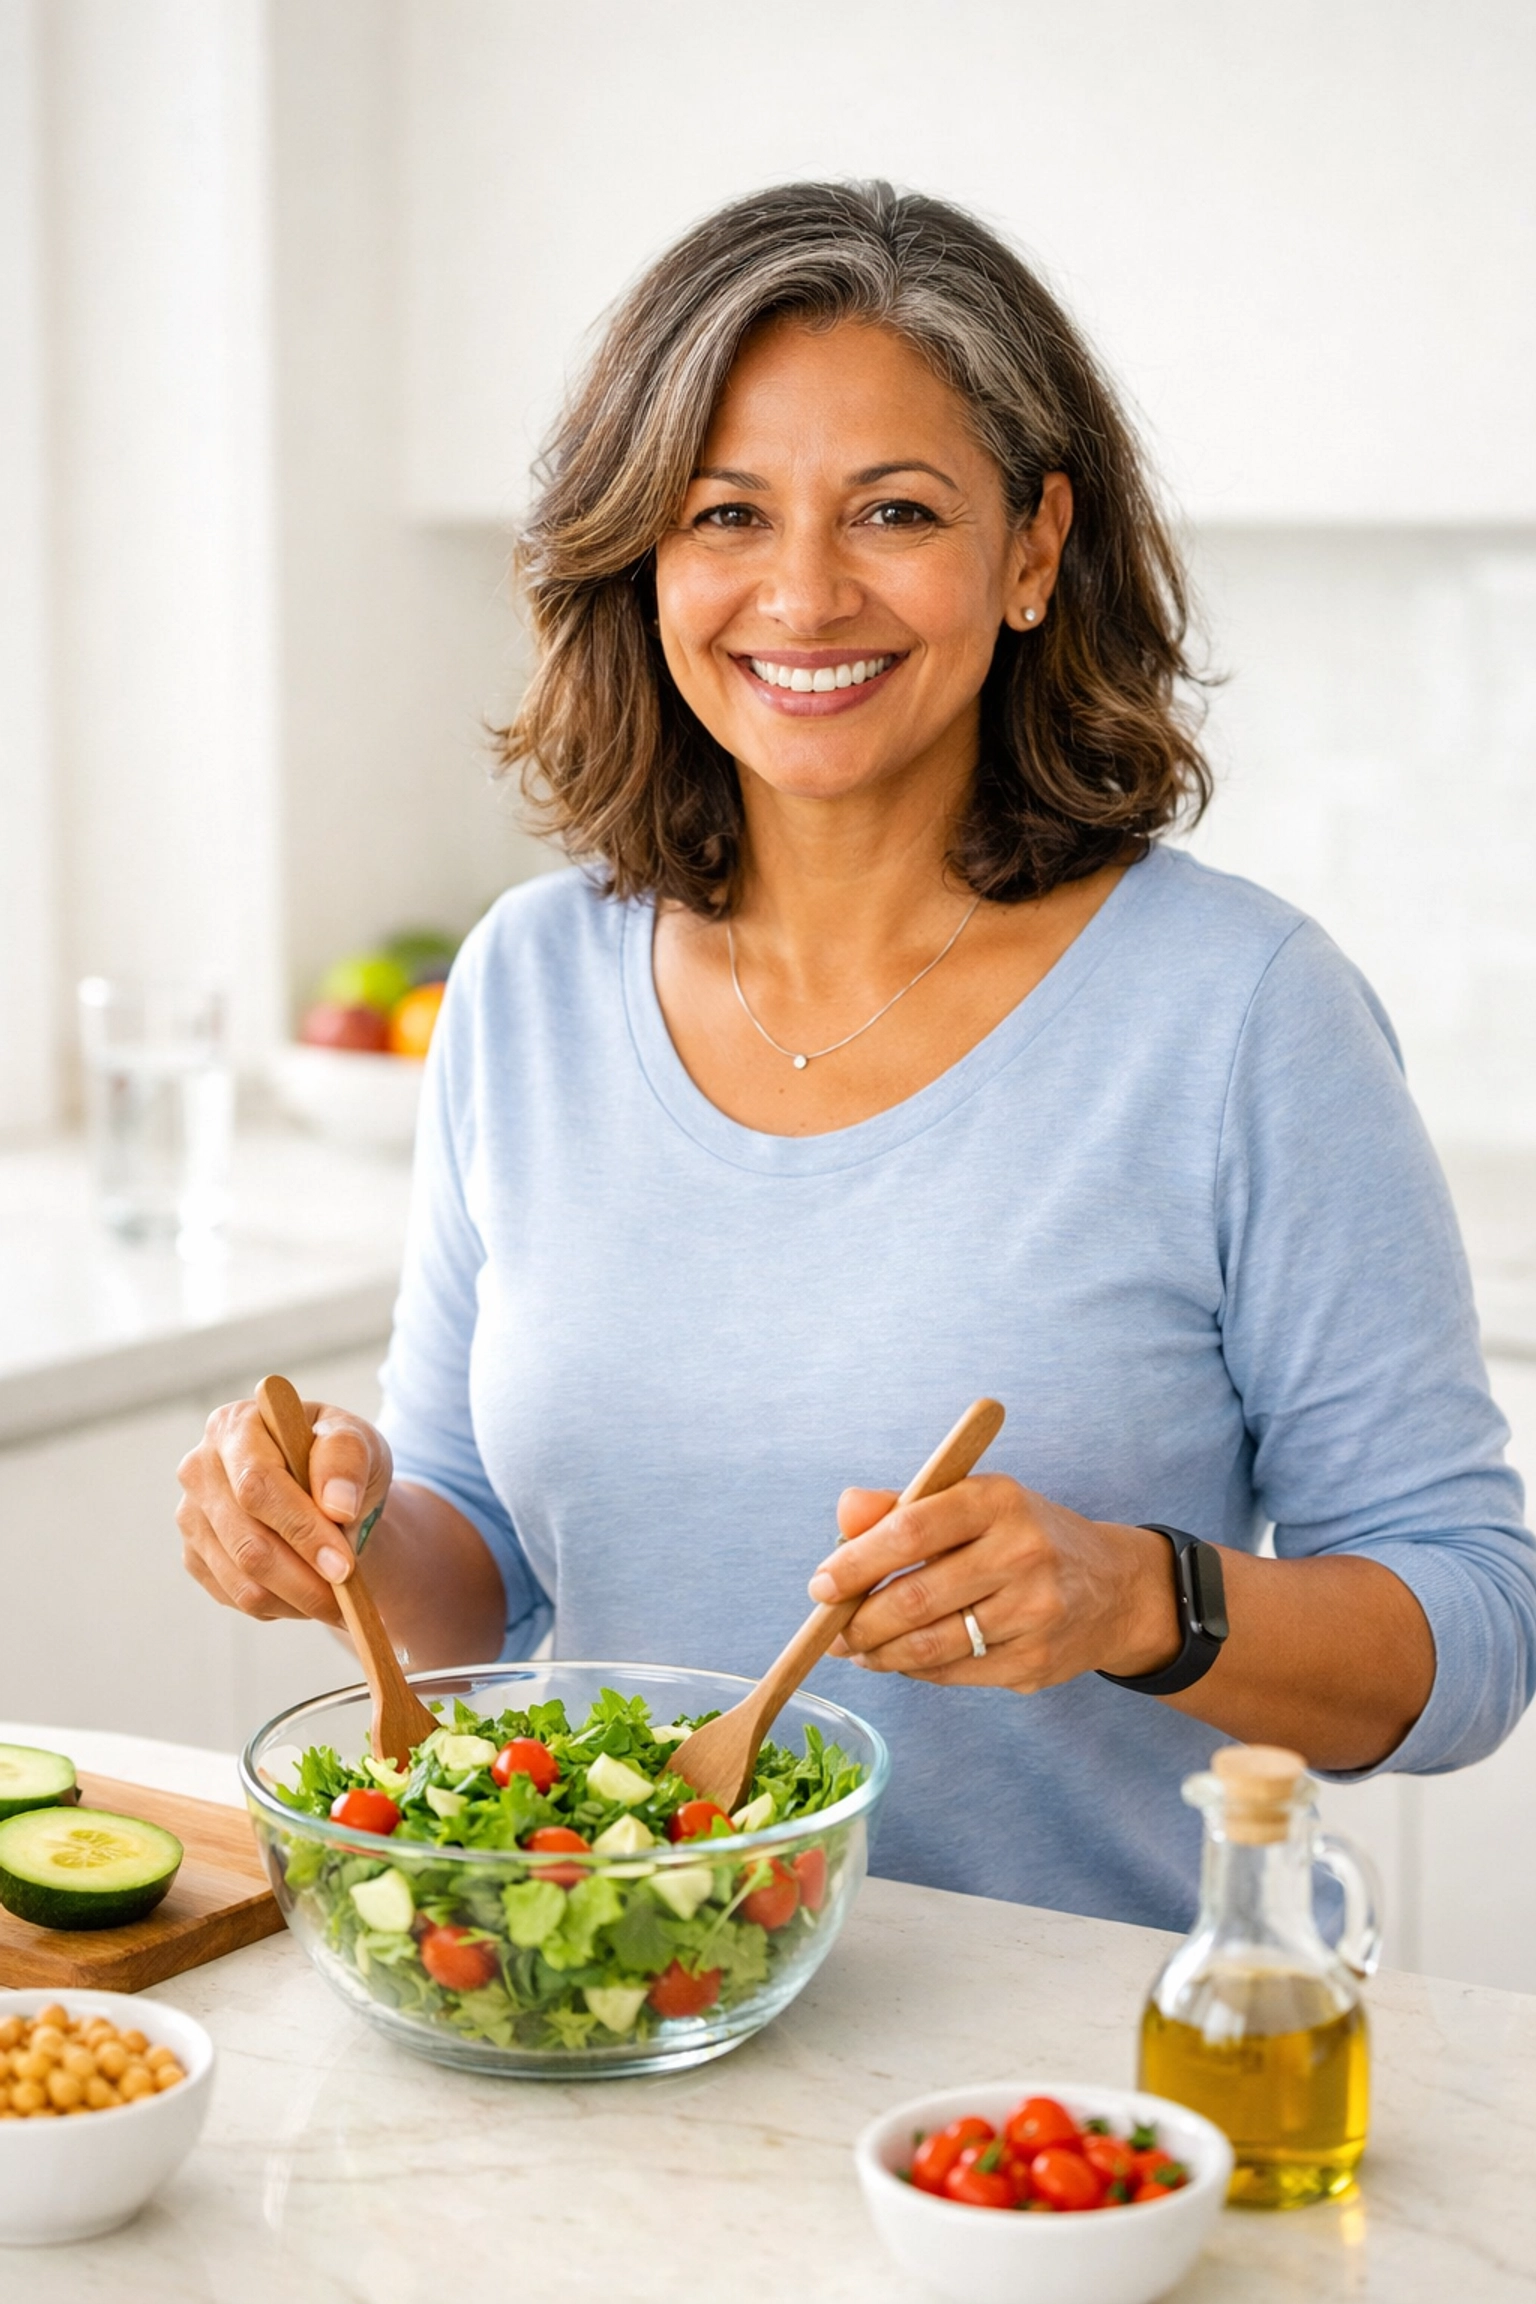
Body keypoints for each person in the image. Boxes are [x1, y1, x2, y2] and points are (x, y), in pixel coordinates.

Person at [177, 182, 1535, 1930]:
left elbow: (1475, 1636)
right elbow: (487, 1576)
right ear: (646, 554)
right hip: (616, 2006)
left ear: (1034, 550)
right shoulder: (528, 982)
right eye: (727, 512)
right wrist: (337, 1536)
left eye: (895, 511)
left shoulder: (1240, 1010)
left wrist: (1138, 1600)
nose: (803, 595)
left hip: (1070, 2111)